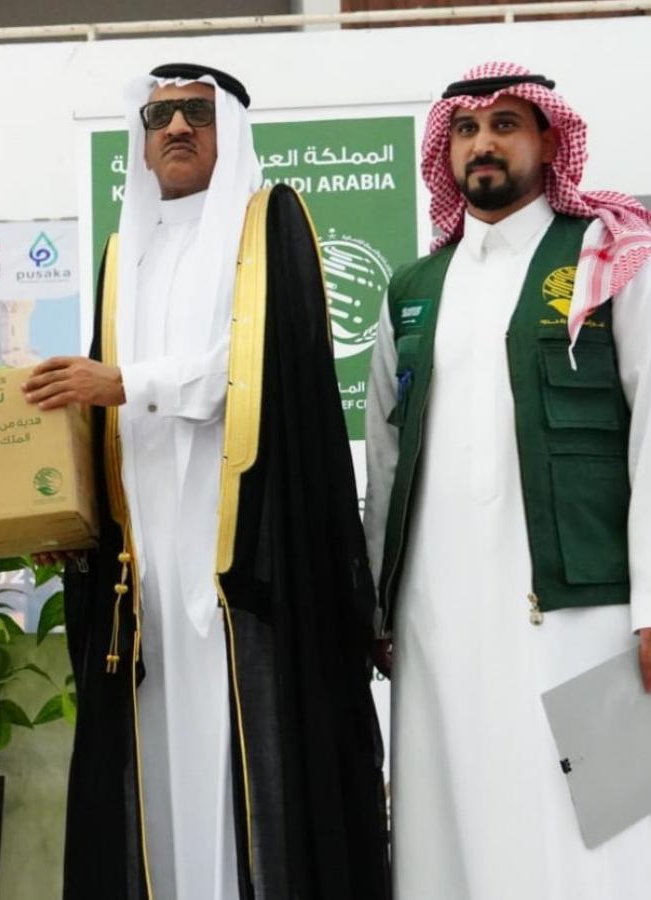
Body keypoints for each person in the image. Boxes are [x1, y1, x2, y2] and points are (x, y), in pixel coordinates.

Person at [23, 64, 388, 900]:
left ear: (232, 128)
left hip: (245, 565)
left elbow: (261, 368)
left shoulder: (271, 227)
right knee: (149, 767)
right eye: (161, 117)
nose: (178, 128)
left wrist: (129, 382)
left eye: (197, 112)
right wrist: (66, 519)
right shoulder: (124, 255)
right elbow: (97, 417)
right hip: (142, 570)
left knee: (257, 759)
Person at [364, 61, 651, 899]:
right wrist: (375, 605)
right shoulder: (413, 290)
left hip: (581, 613)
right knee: (445, 827)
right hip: (436, 618)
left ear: (551, 142)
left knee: (603, 829)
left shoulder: (607, 255)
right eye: (465, 129)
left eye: (504, 125)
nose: (482, 144)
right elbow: (384, 458)